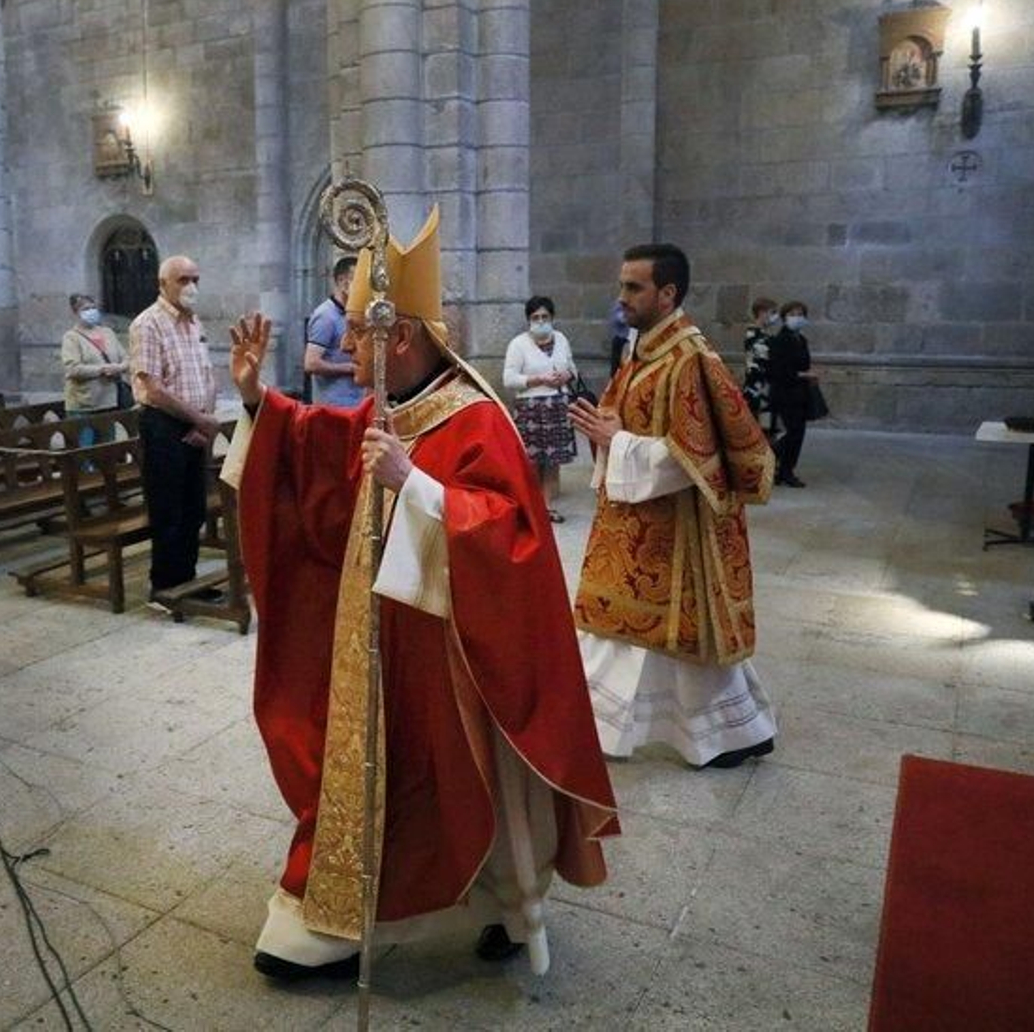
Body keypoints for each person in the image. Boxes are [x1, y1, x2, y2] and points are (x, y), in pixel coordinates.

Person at [221, 205, 617, 982]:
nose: (349, 351)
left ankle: (506, 905)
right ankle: (348, 920)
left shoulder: (475, 417)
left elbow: (512, 537)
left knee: (464, 780)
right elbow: (326, 446)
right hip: (383, 640)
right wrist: (260, 405)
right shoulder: (394, 406)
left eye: (360, 337)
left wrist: (421, 488)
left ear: (398, 336)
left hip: (457, 654)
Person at [569, 244, 778, 770]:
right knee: (629, 627)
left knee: (680, 633)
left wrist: (618, 442)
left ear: (668, 293)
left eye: (634, 287)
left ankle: (730, 733)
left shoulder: (690, 359)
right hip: (635, 520)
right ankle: (722, 731)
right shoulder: (641, 350)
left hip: (678, 530)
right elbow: (624, 417)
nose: (622, 297)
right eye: (622, 285)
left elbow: (696, 458)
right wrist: (607, 433)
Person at [129, 255, 220, 608]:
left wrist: (205, 419)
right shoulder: (147, 324)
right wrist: (198, 419)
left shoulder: (193, 322)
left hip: (195, 423)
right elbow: (152, 388)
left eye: (195, 278)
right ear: (163, 284)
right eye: (183, 279)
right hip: (163, 426)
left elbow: (206, 375)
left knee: (194, 508)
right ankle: (164, 588)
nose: (191, 286)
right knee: (169, 510)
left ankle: (187, 580)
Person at [503, 296, 578, 523]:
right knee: (532, 462)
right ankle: (531, 508)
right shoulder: (518, 344)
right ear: (529, 320)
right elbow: (509, 379)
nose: (541, 321)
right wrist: (539, 379)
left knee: (552, 461)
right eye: (536, 317)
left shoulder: (562, 339)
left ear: (552, 318)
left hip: (558, 406)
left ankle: (547, 507)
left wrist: (567, 375)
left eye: (545, 317)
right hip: (532, 410)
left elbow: (572, 367)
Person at [60, 293, 128, 445]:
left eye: (93, 308)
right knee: (86, 449)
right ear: (75, 312)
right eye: (86, 309)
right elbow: (72, 369)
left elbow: (126, 359)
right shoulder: (71, 337)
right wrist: (102, 370)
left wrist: (119, 367)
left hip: (109, 401)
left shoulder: (107, 333)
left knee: (107, 449)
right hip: (84, 404)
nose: (91, 311)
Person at [302, 256, 362, 407]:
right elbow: (311, 363)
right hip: (334, 405)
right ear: (343, 282)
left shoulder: (354, 312)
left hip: (356, 402)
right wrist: (348, 368)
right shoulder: (325, 316)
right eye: (358, 281)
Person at [767, 300, 814, 488]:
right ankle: (783, 468)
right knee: (794, 433)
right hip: (785, 393)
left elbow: (803, 363)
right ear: (785, 317)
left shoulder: (801, 340)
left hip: (800, 392)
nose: (798, 317)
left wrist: (808, 375)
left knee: (798, 432)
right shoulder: (780, 340)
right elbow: (778, 371)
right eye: (793, 314)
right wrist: (803, 374)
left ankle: (781, 467)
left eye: (801, 314)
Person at [740, 297, 779, 437]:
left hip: (764, 389)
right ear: (762, 312)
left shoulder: (763, 334)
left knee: (766, 428)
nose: (775, 316)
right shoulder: (754, 334)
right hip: (758, 390)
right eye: (772, 312)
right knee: (760, 430)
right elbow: (760, 364)